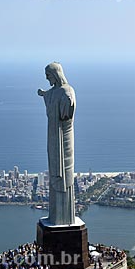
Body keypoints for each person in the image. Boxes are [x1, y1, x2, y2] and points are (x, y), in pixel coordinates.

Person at [38, 62, 76, 226]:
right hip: (53, 136)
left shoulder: (67, 91)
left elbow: (66, 114)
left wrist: (69, 102)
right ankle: (55, 216)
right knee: (54, 169)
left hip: (63, 137)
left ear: (56, 75)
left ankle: (64, 217)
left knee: (64, 172)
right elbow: (50, 96)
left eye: (48, 76)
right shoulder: (54, 91)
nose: (47, 79)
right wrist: (44, 94)